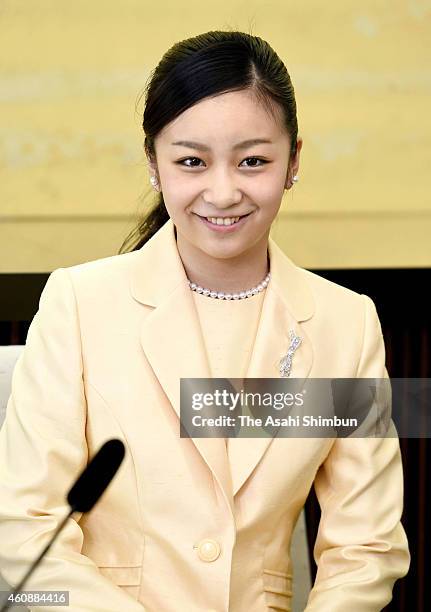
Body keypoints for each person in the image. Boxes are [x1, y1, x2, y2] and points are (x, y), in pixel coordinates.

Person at [0, 29, 410, 612]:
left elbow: (367, 548)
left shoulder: (346, 324)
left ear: (293, 161)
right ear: (154, 163)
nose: (222, 192)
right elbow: (24, 536)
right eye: (192, 161)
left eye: (253, 161)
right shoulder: (78, 305)